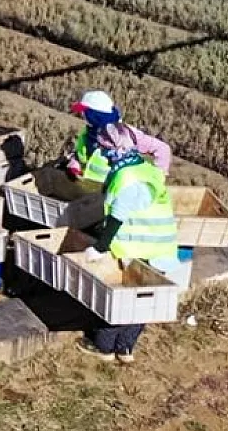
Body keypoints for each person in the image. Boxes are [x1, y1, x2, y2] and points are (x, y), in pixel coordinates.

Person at [74, 125, 186, 364]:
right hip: (160, 245)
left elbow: (118, 215)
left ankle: (103, 346)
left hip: (138, 246)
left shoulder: (126, 177)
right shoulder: (145, 169)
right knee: (143, 298)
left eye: (104, 149)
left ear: (114, 149)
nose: (102, 154)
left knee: (121, 297)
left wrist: (100, 247)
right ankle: (125, 349)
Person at [66, 89, 172, 185]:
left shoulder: (127, 134)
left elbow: (163, 148)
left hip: (115, 196)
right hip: (87, 189)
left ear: (93, 115)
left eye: (84, 112)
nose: (81, 115)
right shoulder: (87, 133)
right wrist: (74, 166)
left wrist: (157, 178)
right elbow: (79, 157)